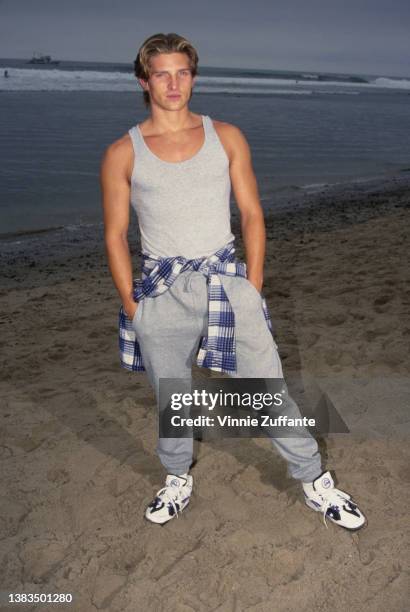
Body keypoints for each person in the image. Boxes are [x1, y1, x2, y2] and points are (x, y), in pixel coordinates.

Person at [100, 33, 366, 530]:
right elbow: (114, 236)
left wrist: (254, 283)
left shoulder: (227, 136)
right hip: (163, 290)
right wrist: (134, 308)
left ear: (193, 77)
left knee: (267, 389)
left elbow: (251, 213)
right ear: (144, 81)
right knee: (172, 397)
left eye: (183, 72)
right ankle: (177, 477)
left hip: (227, 281)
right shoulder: (123, 152)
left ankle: (313, 481)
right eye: (163, 73)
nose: (174, 83)